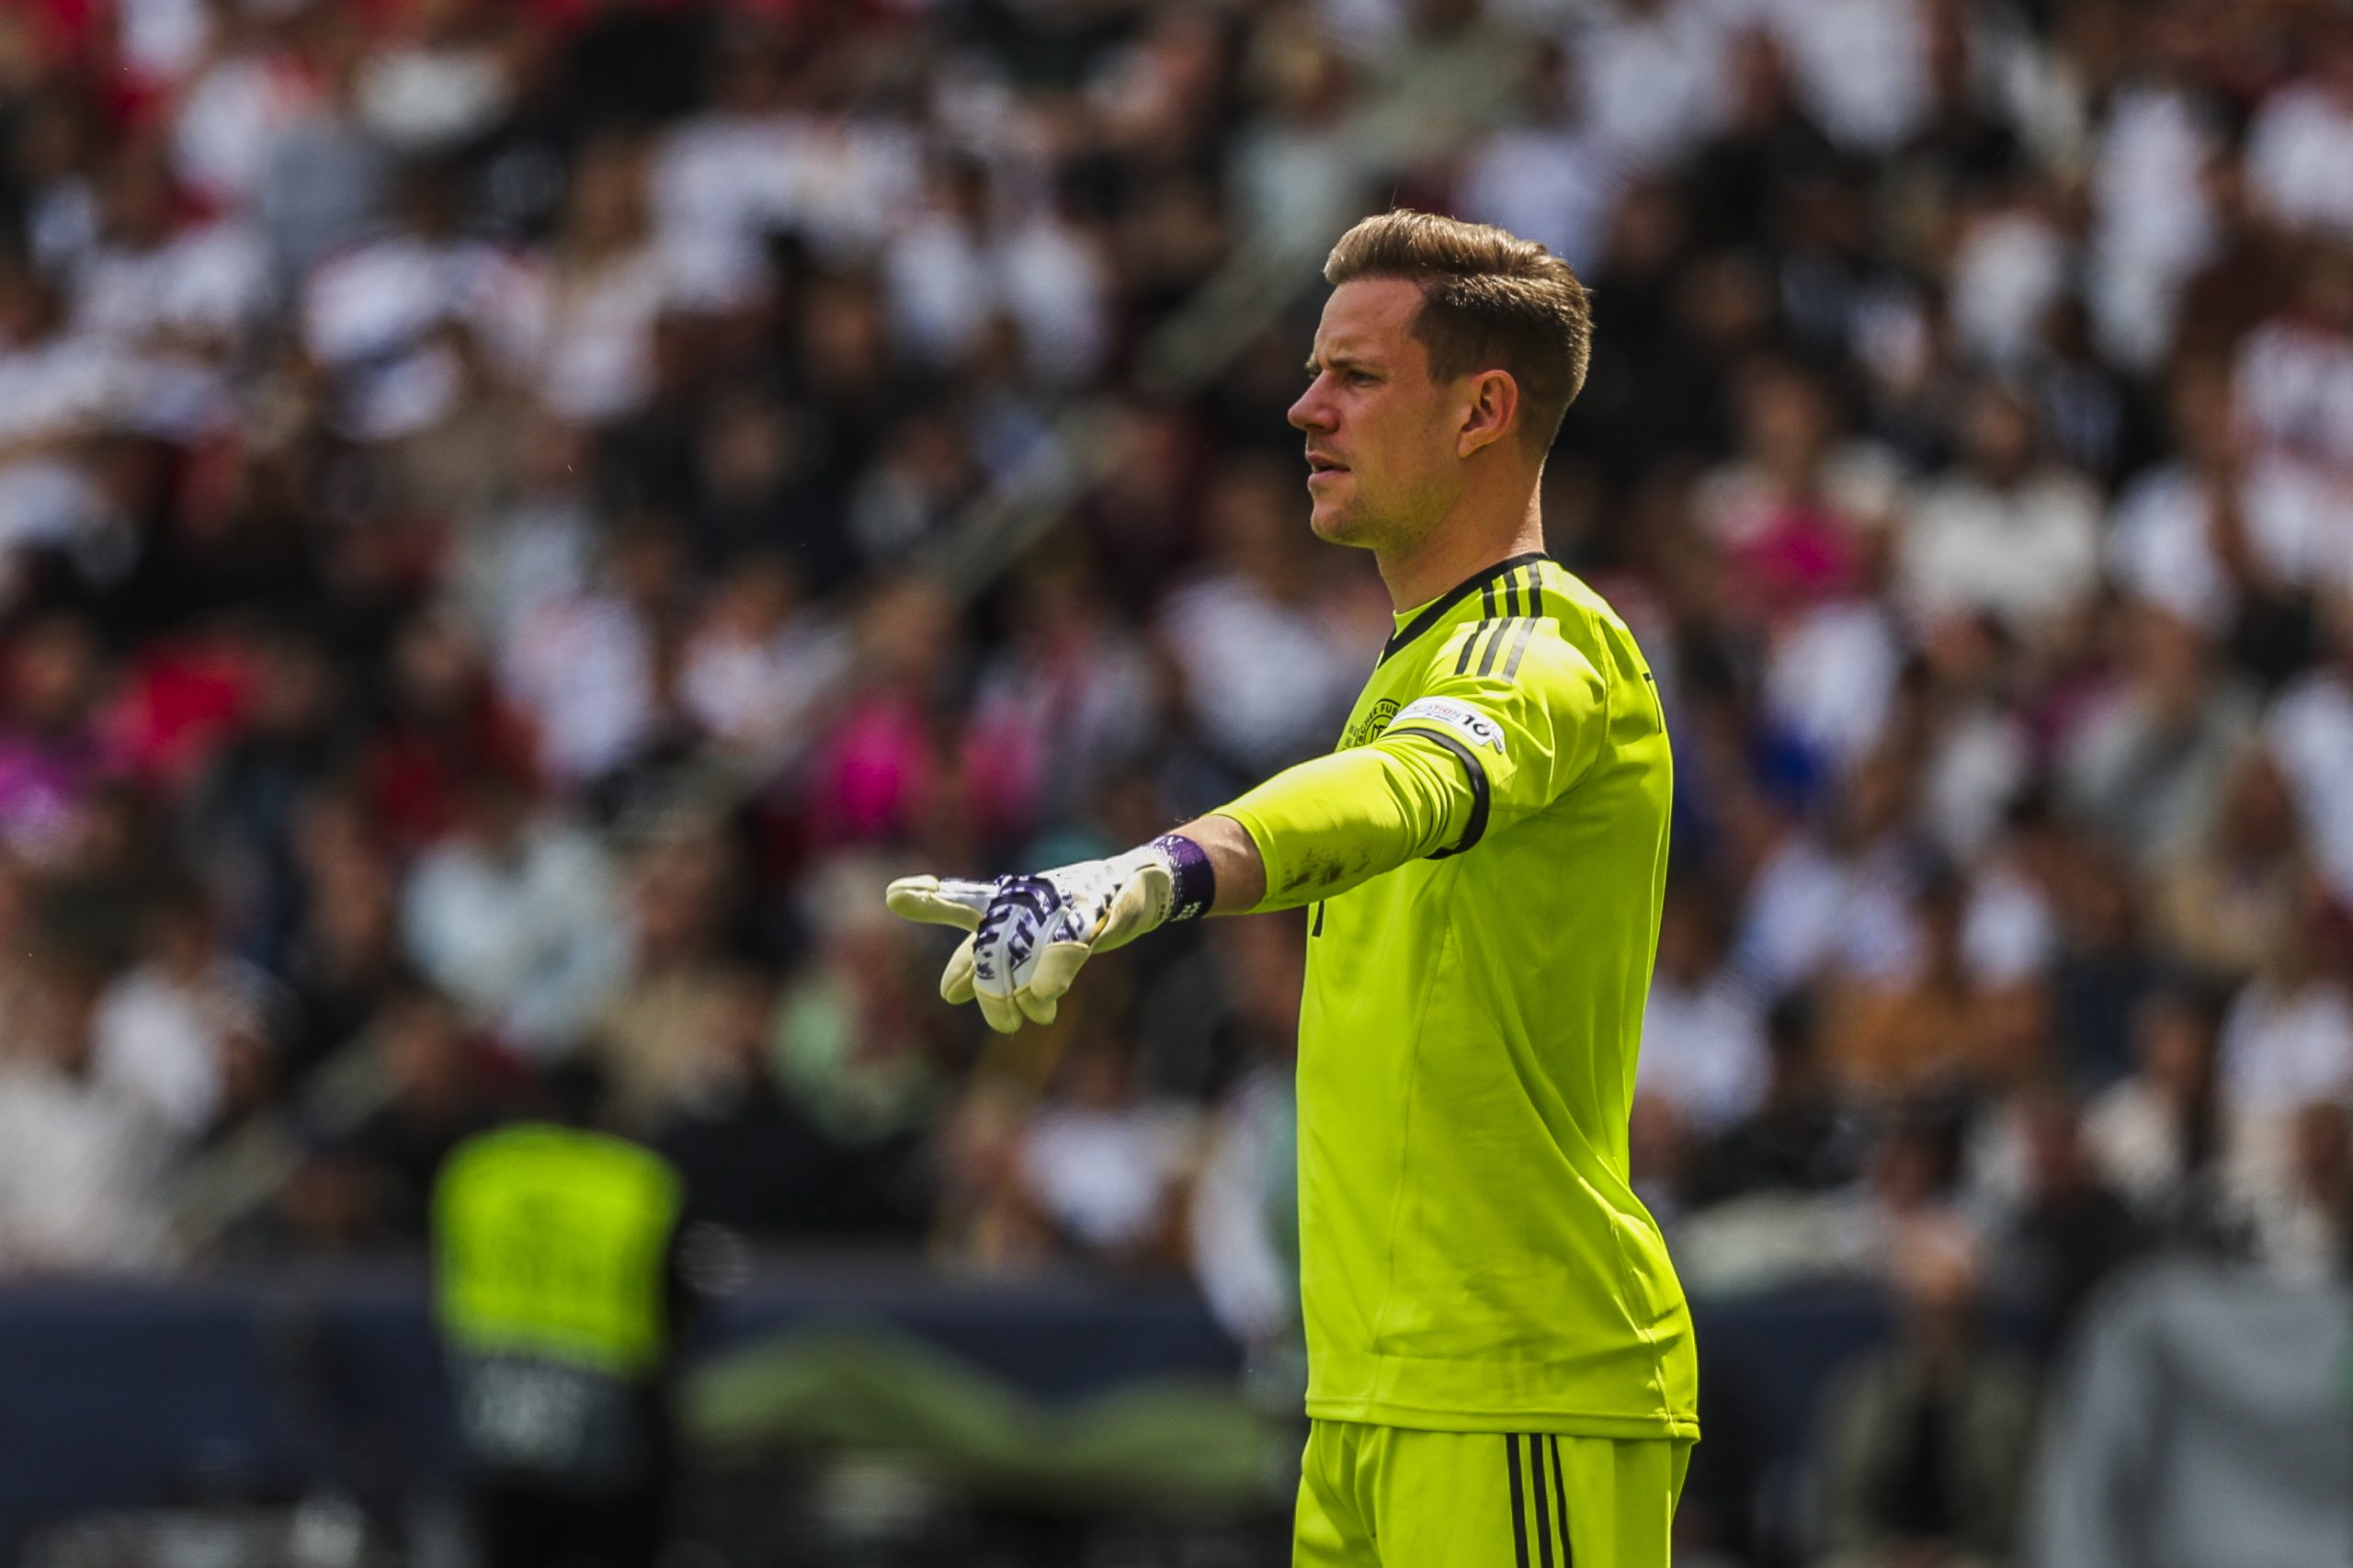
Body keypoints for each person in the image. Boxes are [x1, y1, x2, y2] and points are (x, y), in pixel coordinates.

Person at [889, 210, 1696, 1567]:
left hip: (1513, 1385)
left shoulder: (1543, 645)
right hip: (1367, 1397)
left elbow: (1404, 790)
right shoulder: (1414, 665)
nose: (1304, 407)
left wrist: (1149, 873)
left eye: (1357, 376)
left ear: (1483, 411)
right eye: (1317, 371)